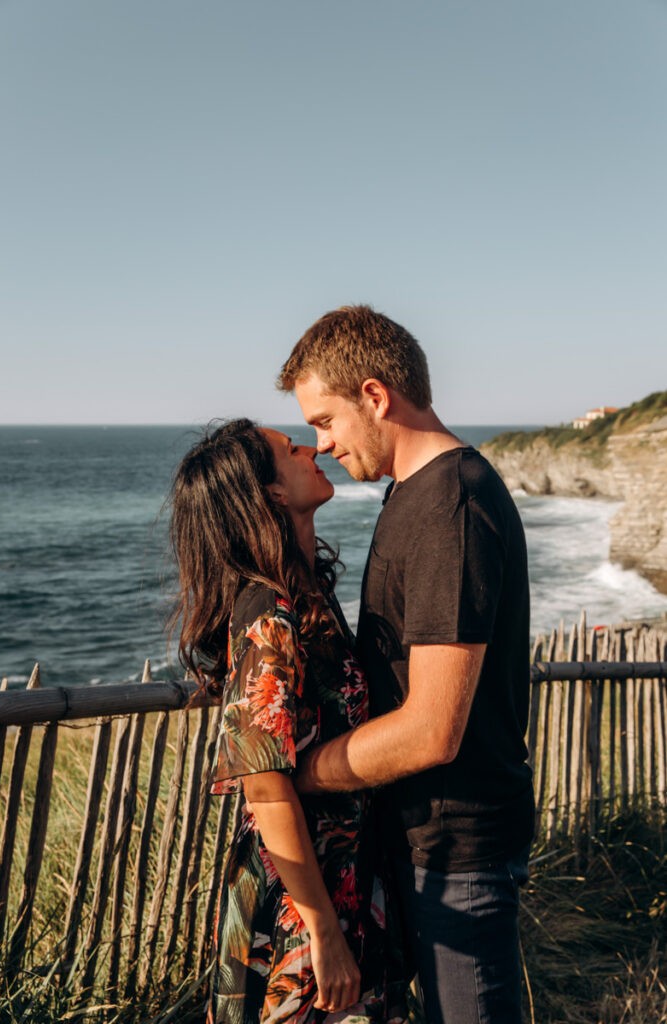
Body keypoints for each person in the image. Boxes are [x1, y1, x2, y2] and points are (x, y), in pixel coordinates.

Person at [277, 305, 535, 1024]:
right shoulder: (411, 495)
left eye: (324, 420)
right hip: (423, 844)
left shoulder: (450, 505)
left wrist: (294, 773)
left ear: (374, 396)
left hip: (458, 855)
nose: (320, 445)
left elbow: (430, 731)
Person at [169, 418, 408, 1024]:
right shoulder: (267, 614)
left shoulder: (303, 595)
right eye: (291, 449)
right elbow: (266, 787)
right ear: (270, 493)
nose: (314, 447)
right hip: (300, 903)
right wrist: (323, 931)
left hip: (340, 881)